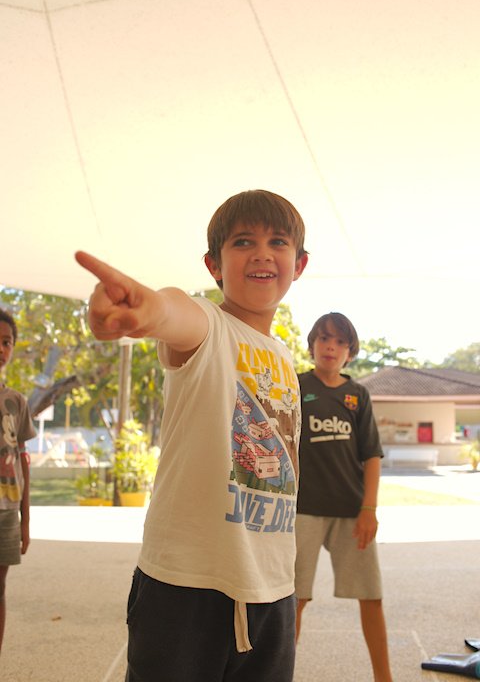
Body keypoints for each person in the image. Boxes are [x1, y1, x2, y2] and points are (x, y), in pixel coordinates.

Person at [75, 189, 309, 682]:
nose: (262, 253)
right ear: (213, 265)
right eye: (243, 242)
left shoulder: (286, 358)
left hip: (272, 587)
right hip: (184, 584)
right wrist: (149, 311)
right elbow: (174, 312)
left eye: (278, 242)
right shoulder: (209, 325)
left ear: (300, 264)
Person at [295, 312, 393, 682]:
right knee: (293, 600)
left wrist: (369, 508)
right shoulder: (296, 385)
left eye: (339, 341)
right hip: (303, 510)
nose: (330, 347)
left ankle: (384, 677)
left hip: (352, 511)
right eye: (323, 338)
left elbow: (371, 455)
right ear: (312, 346)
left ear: (350, 352)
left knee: (372, 596)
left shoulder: (358, 395)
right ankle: (277, 673)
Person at [0, 308, 36, 654]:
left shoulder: (16, 401)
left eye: (7, 341)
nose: (1, 348)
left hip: (6, 511)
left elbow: (23, 459)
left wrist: (25, 519)